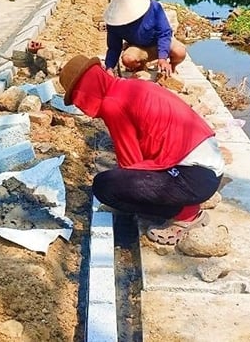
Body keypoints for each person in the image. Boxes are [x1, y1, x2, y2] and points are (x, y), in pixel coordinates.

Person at [59, 54, 224, 245]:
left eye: (77, 98)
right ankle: (184, 202)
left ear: (85, 89)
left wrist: (124, 187)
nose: (80, 106)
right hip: (206, 167)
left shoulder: (112, 104)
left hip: (193, 178)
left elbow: (131, 163)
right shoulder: (127, 87)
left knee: (104, 186)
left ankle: (185, 214)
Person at [103, 0, 187, 76]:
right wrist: (109, 68)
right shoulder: (114, 24)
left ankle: (171, 69)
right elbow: (114, 47)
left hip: (158, 43)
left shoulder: (153, 7)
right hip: (137, 47)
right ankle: (140, 69)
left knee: (179, 52)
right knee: (128, 59)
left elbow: (164, 33)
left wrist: (163, 58)